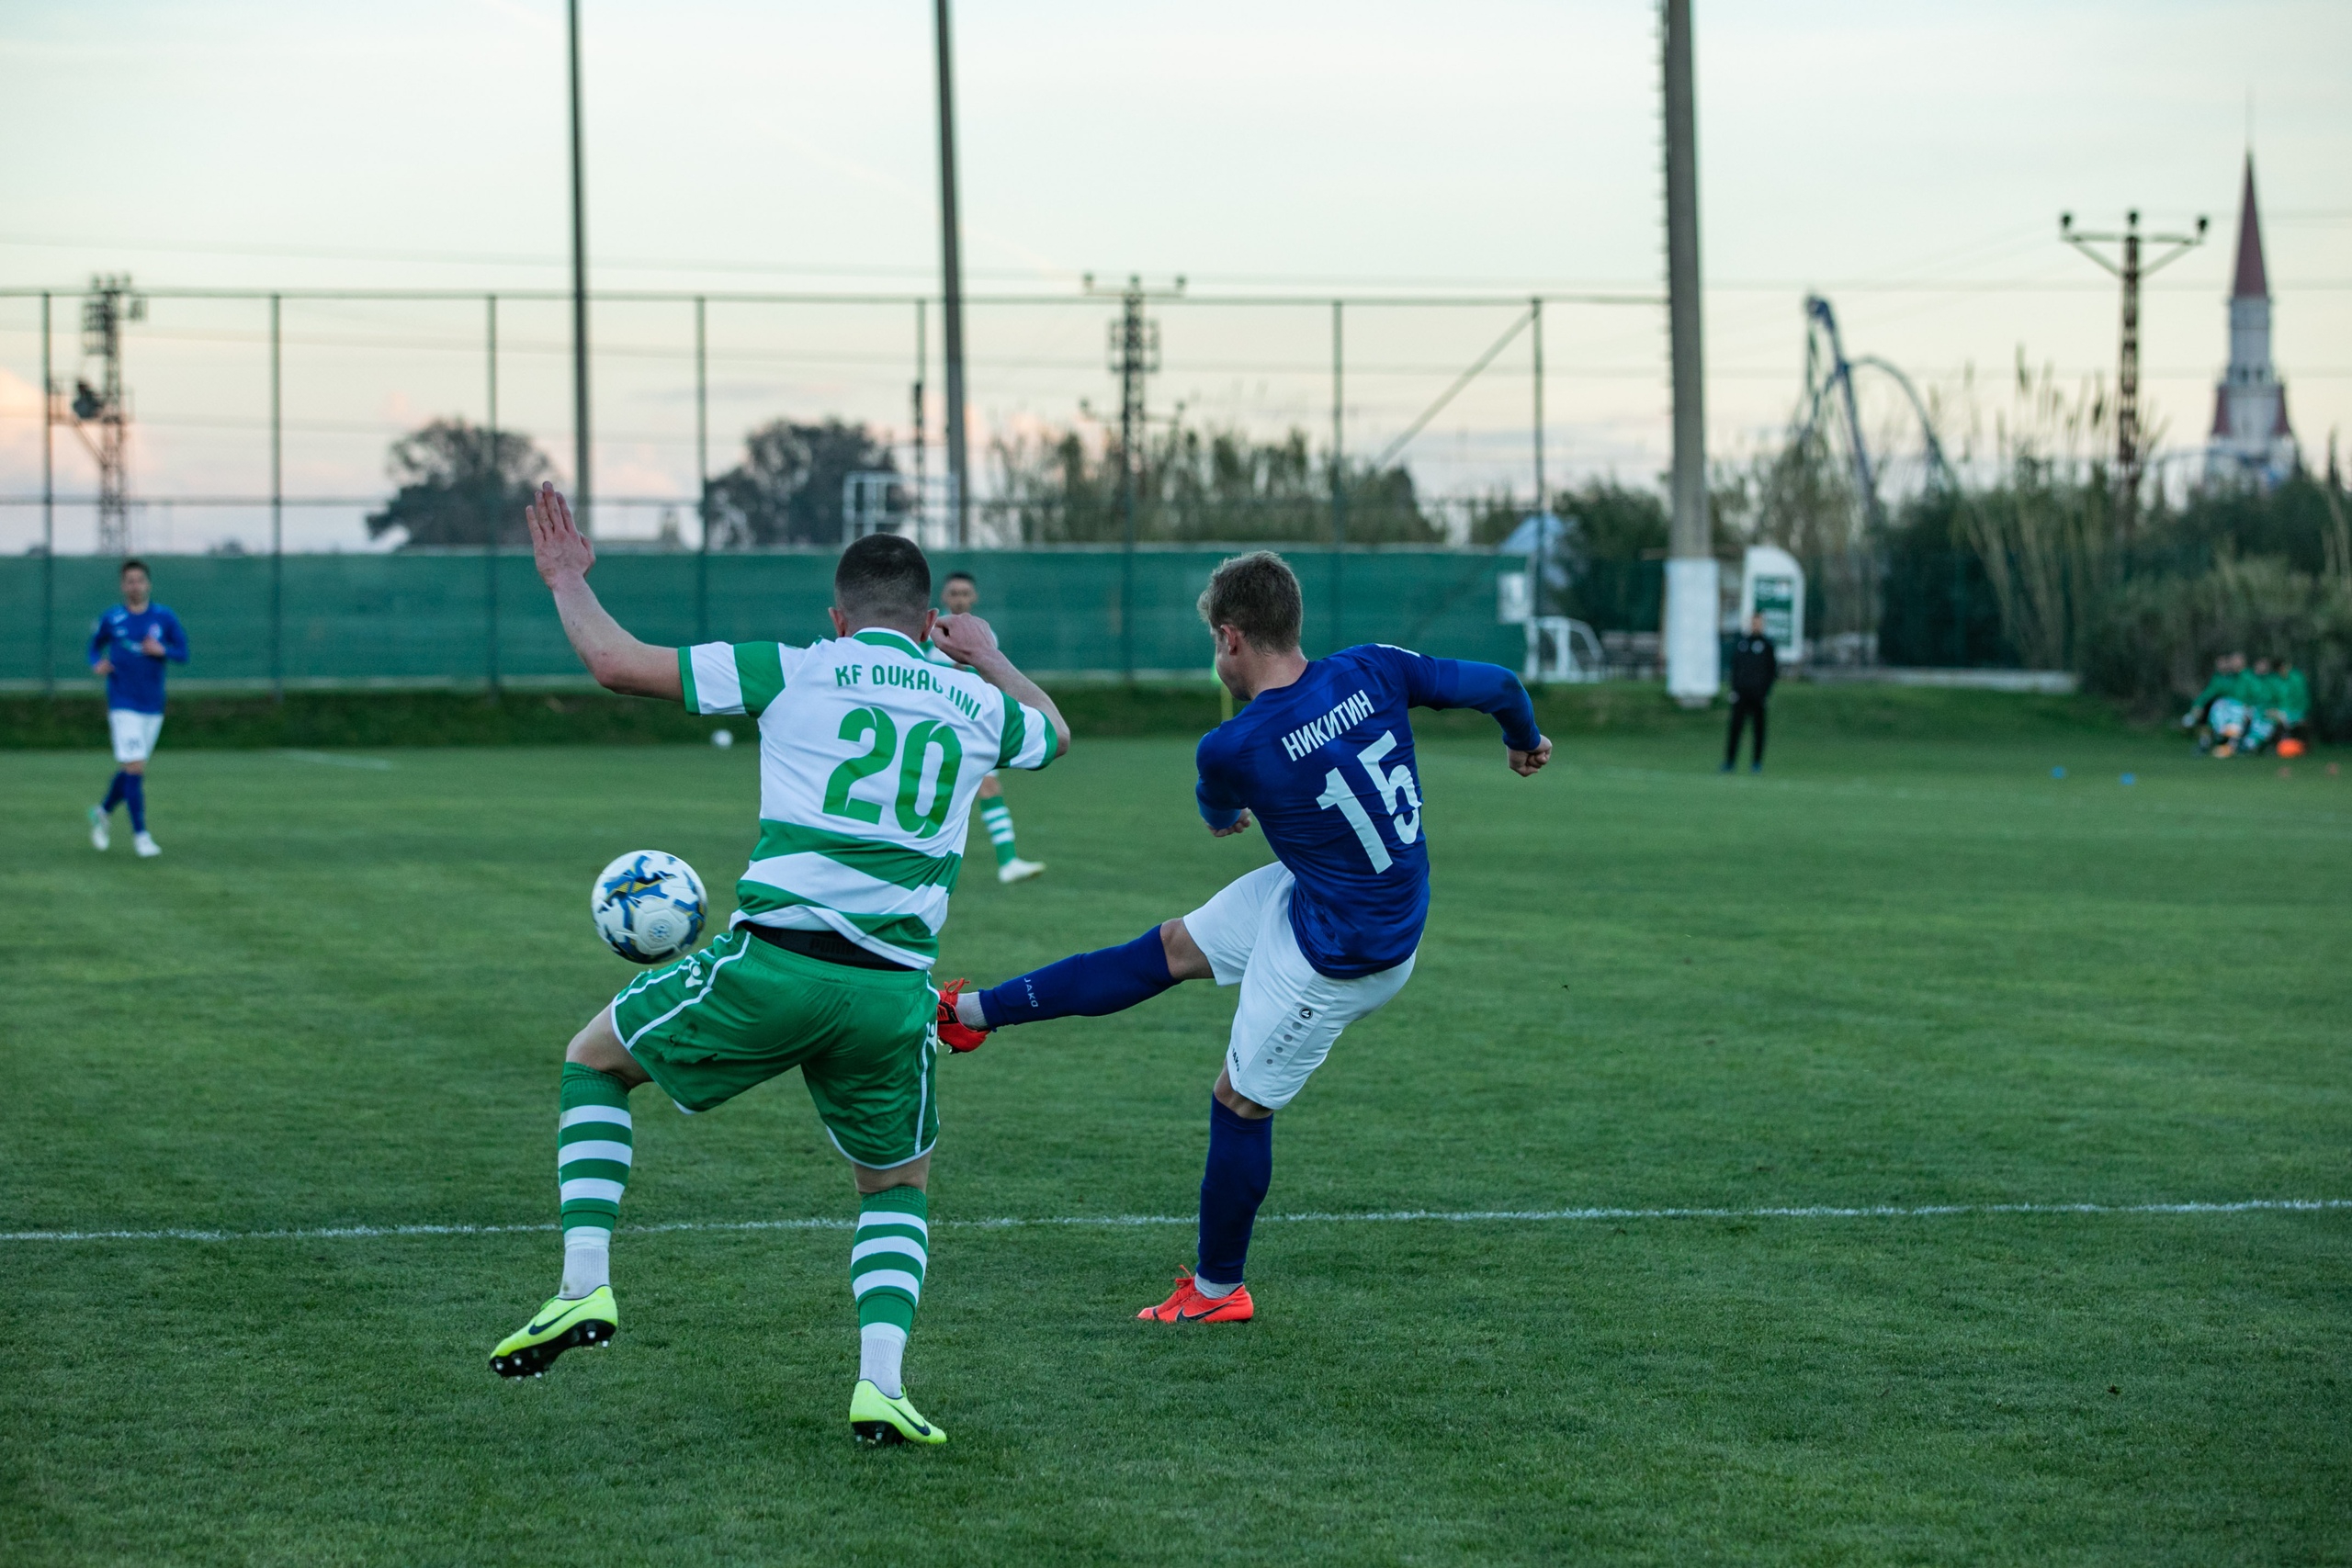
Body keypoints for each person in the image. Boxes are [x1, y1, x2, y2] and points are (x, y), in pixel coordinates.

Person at [486, 483, 1068, 1450]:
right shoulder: (974, 697)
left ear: (837, 619)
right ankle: (880, 1383)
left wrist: (565, 577)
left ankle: (583, 1285)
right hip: (892, 997)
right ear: (931, 621)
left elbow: (613, 663)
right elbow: (1053, 733)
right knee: (895, 1187)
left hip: (775, 965)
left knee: (594, 1062)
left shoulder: (799, 667)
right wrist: (990, 655)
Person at [934, 550, 1550, 1323]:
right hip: (1330, 898)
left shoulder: (1233, 744)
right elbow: (1499, 685)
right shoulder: (1375, 667)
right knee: (1167, 948)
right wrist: (1523, 740)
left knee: (1240, 1102)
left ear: (1230, 639)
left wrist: (1227, 816)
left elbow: (1218, 810)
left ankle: (1220, 1290)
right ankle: (970, 1015)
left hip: (1343, 956)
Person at [932, 570, 1046, 884]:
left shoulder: (984, 636)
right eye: (953, 593)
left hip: (968, 728)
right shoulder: (928, 632)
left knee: (988, 787)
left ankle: (1008, 861)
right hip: (935, 729)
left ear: (974, 597)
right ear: (944, 597)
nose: (959, 599)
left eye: (965, 593)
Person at [85, 558, 188, 858]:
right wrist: (97, 663)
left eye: (139, 580)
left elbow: (183, 653)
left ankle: (102, 811)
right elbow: (94, 646)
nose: (135, 585)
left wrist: (162, 650)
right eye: (129, 581)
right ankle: (141, 836)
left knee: (132, 768)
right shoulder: (113, 618)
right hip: (122, 703)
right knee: (136, 767)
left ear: (148, 584)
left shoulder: (164, 618)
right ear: (122, 585)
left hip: (152, 705)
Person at [1722, 613, 1777, 773]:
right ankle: (1730, 762)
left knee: (1759, 730)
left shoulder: (1767, 645)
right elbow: (1735, 668)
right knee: (1735, 728)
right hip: (1741, 694)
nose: (1756, 626)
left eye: (1758, 623)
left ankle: (1756, 763)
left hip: (1758, 695)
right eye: (1753, 623)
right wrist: (1733, 689)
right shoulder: (1742, 643)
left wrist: (1766, 691)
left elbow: (1772, 670)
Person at [2184, 652, 2246, 753]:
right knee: (2208, 712)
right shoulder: (2218, 678)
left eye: (2223, 662)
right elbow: (2207, 694)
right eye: (2218, 663)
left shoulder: (2241, 677)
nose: (2221, 665)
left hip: (2240, 708)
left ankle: (2232, 744)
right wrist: (2197, 706)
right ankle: (2206, 743)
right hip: (2224, 708)